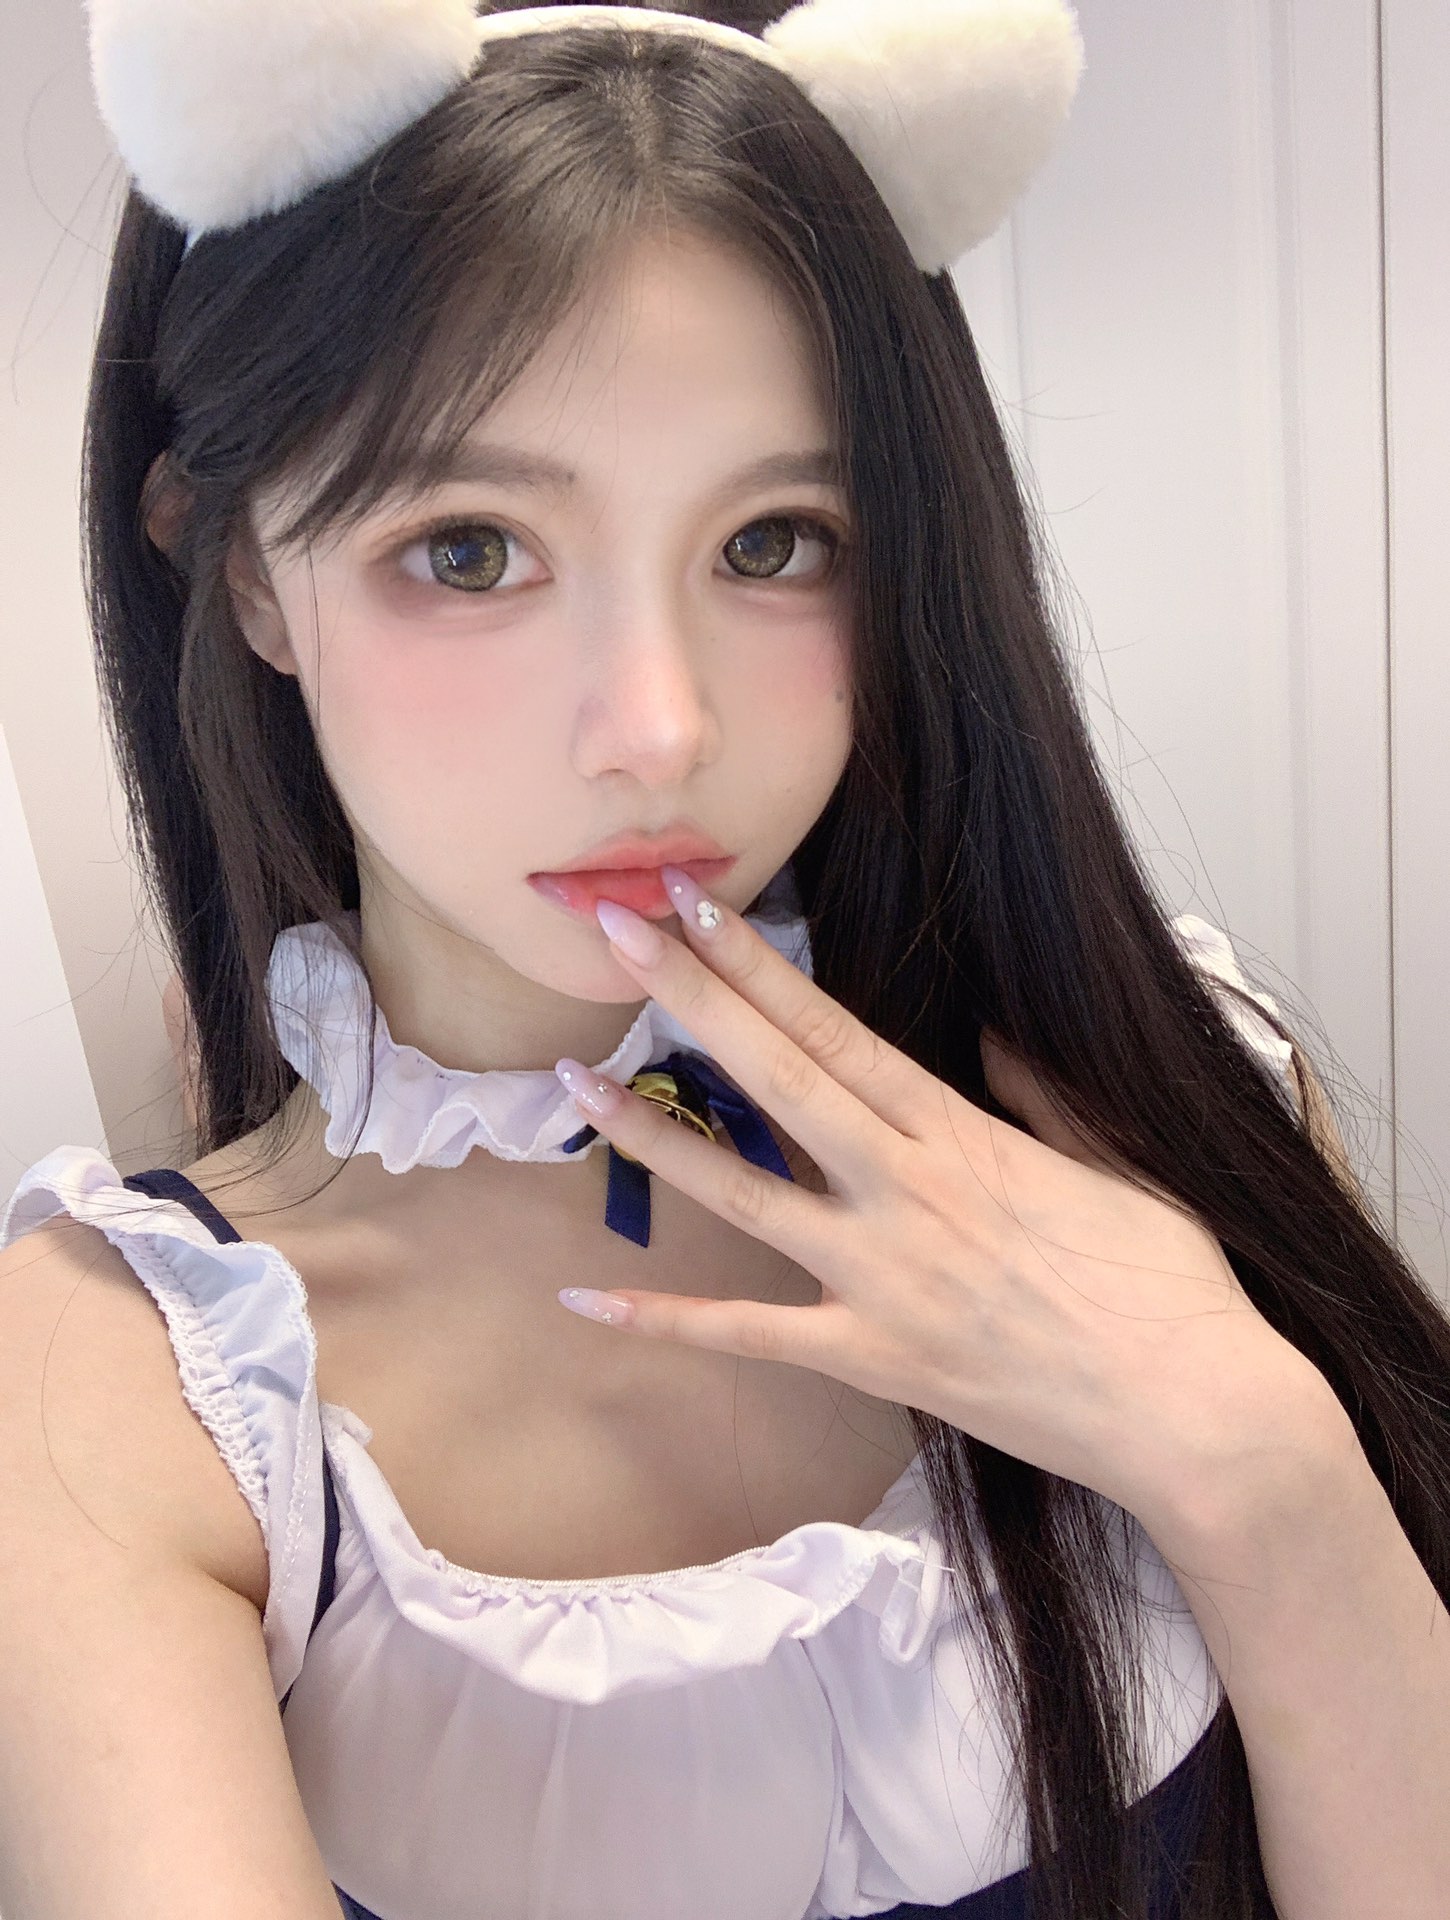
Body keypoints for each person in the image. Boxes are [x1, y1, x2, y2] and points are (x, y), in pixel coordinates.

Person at [2, 3, 1447, 1917]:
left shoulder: (1161, 1103)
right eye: (468, 549)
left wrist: (1261, 1467)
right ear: (245, 568)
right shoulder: (128, 1391)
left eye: (773, 542)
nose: (659, 730)